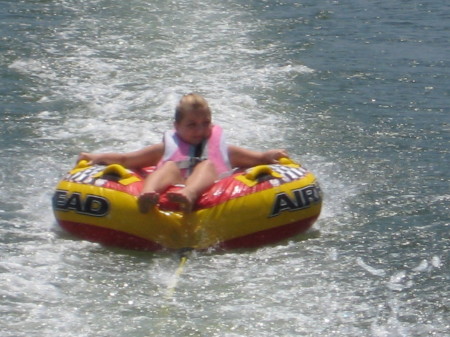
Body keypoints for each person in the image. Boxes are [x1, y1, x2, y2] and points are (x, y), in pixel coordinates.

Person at [78, 93, 288, 212]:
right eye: (191, 125)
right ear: (176, 126)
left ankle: (188, 194)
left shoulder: (220, 148)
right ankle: (146, 196)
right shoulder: (166, 148)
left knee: (207, 164)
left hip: (211, 191)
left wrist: (267, 156)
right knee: (169, 166)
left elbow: (255, 159)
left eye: (205, 123)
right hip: (172, 183)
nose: (200, 130)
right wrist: (96, 157)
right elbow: (128, 159)